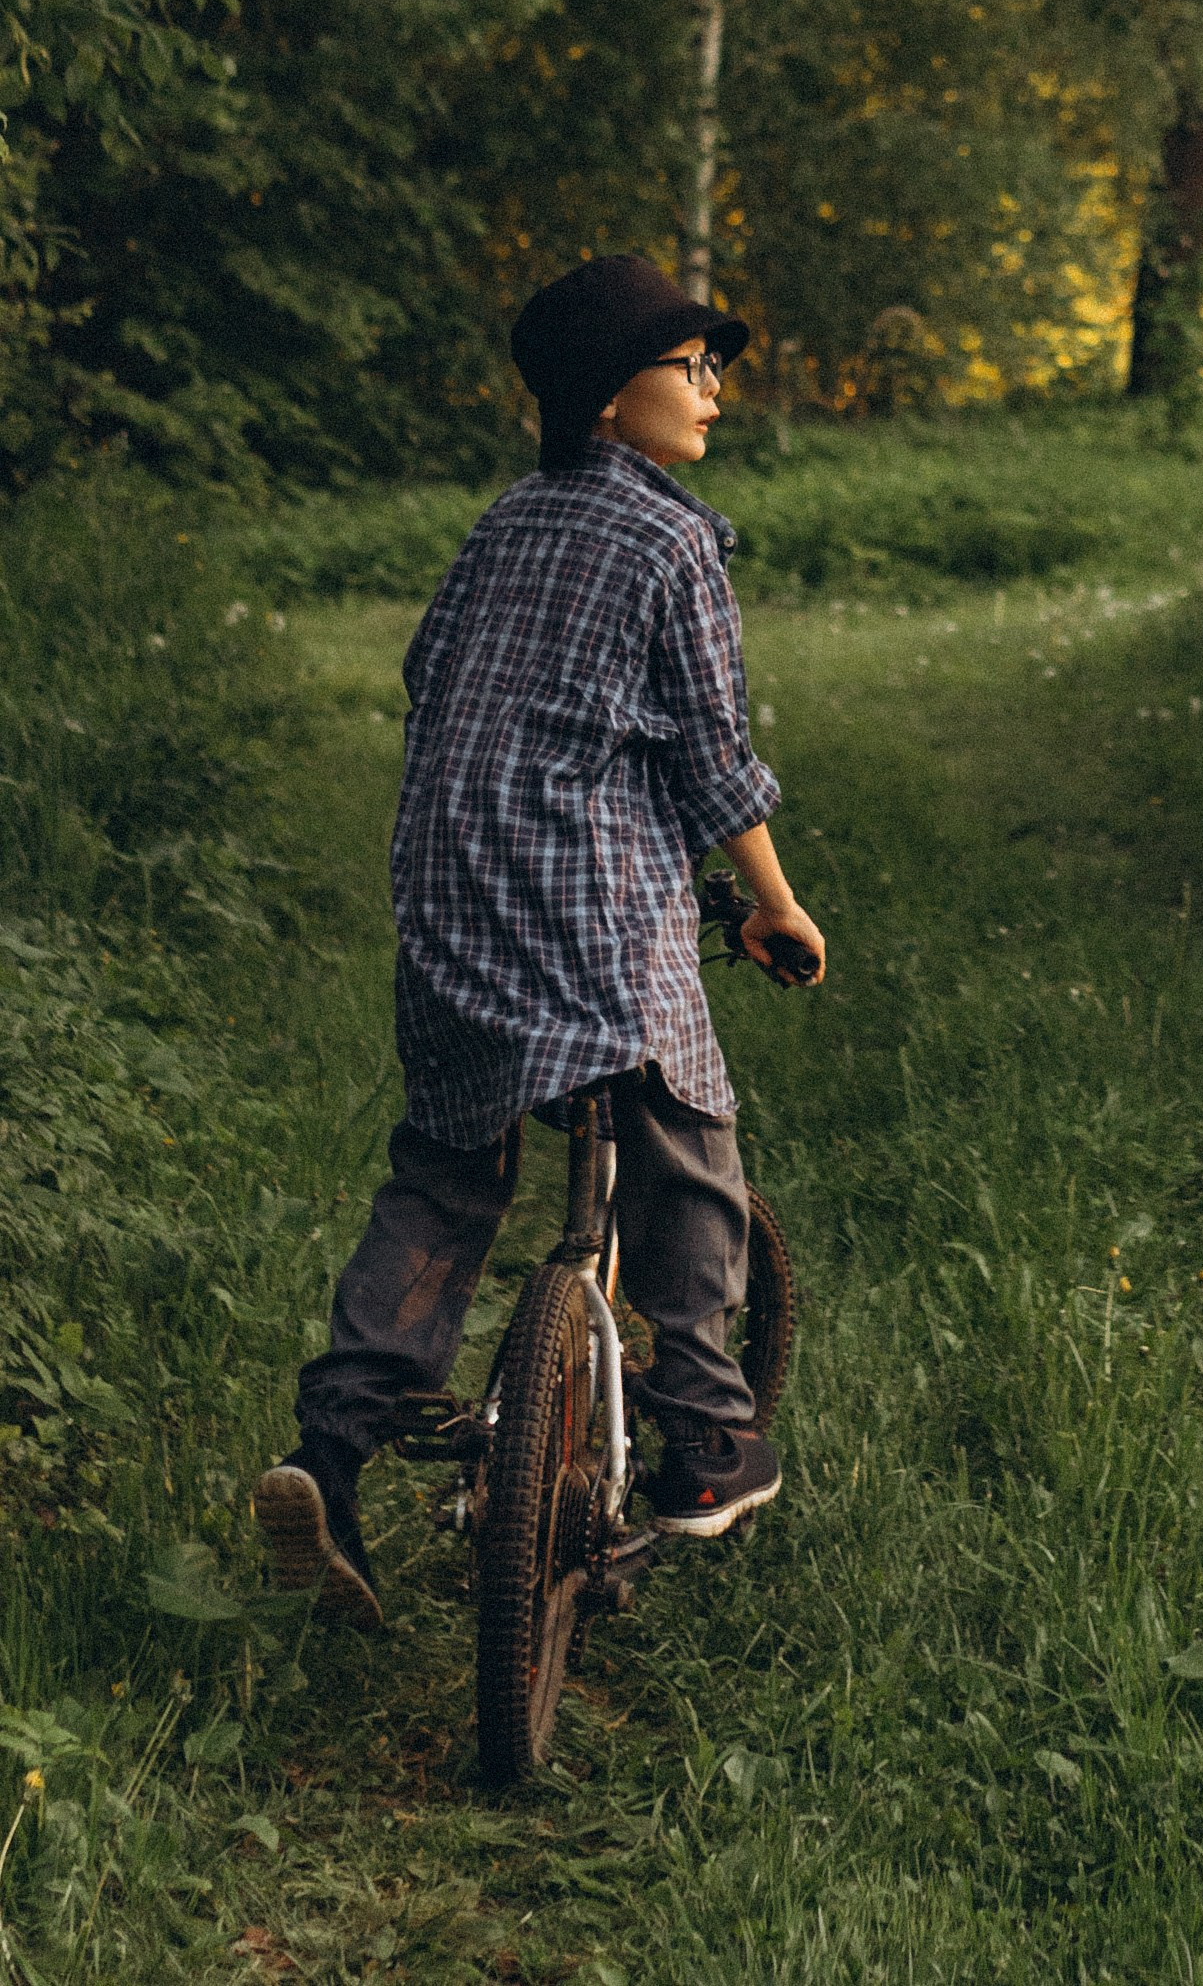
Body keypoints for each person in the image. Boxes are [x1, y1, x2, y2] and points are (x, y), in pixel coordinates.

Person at [254, 255, 826, 1630]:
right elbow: (712, 754)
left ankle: (331, 1454)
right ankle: (704, 1434)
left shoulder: (505, 523)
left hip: (444, 874)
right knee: (684, 1118)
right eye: (692, 364)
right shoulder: (674, 540)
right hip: (581, 880)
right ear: (611, 394)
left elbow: (427, 676)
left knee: (450, 1162)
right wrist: (777, 902)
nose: (714, 390)